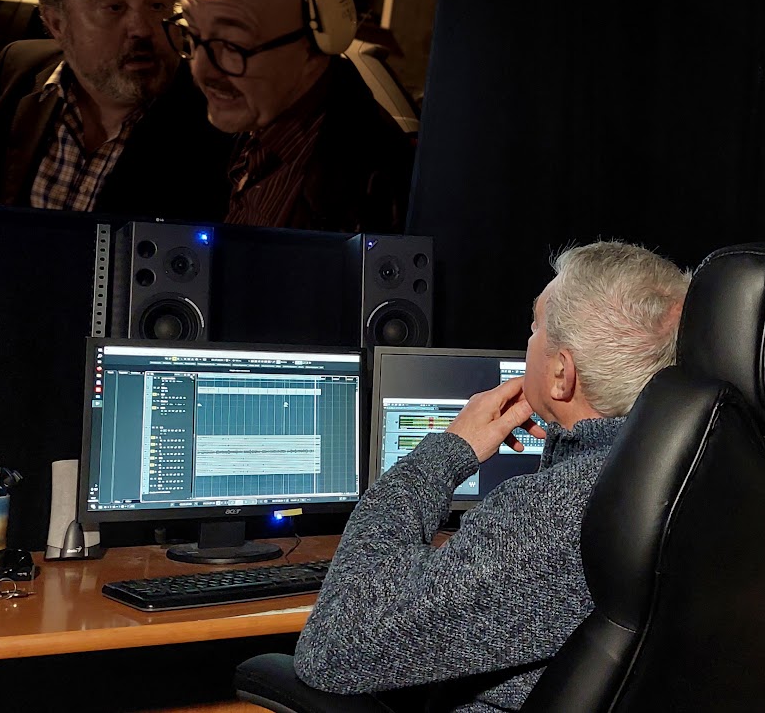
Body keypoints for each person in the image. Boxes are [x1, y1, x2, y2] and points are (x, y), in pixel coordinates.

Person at [293, 241, 691, 711]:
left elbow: (334, 647)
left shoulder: (557, 513)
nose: (529, 341)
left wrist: (449, 452)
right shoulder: (705, 477)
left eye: (535, 327)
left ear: (561, 373)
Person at [0, 0, 232, 221]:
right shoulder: (19, 68)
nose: (142, 29)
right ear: (57, 23)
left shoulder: (216, 117)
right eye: (113, 6)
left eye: (156, 5)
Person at [174, 0, 415, 232]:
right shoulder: (257, 119)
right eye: (192, 34)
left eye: (233, 45)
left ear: (315, 44)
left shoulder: (378, 191)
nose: (201, 69)